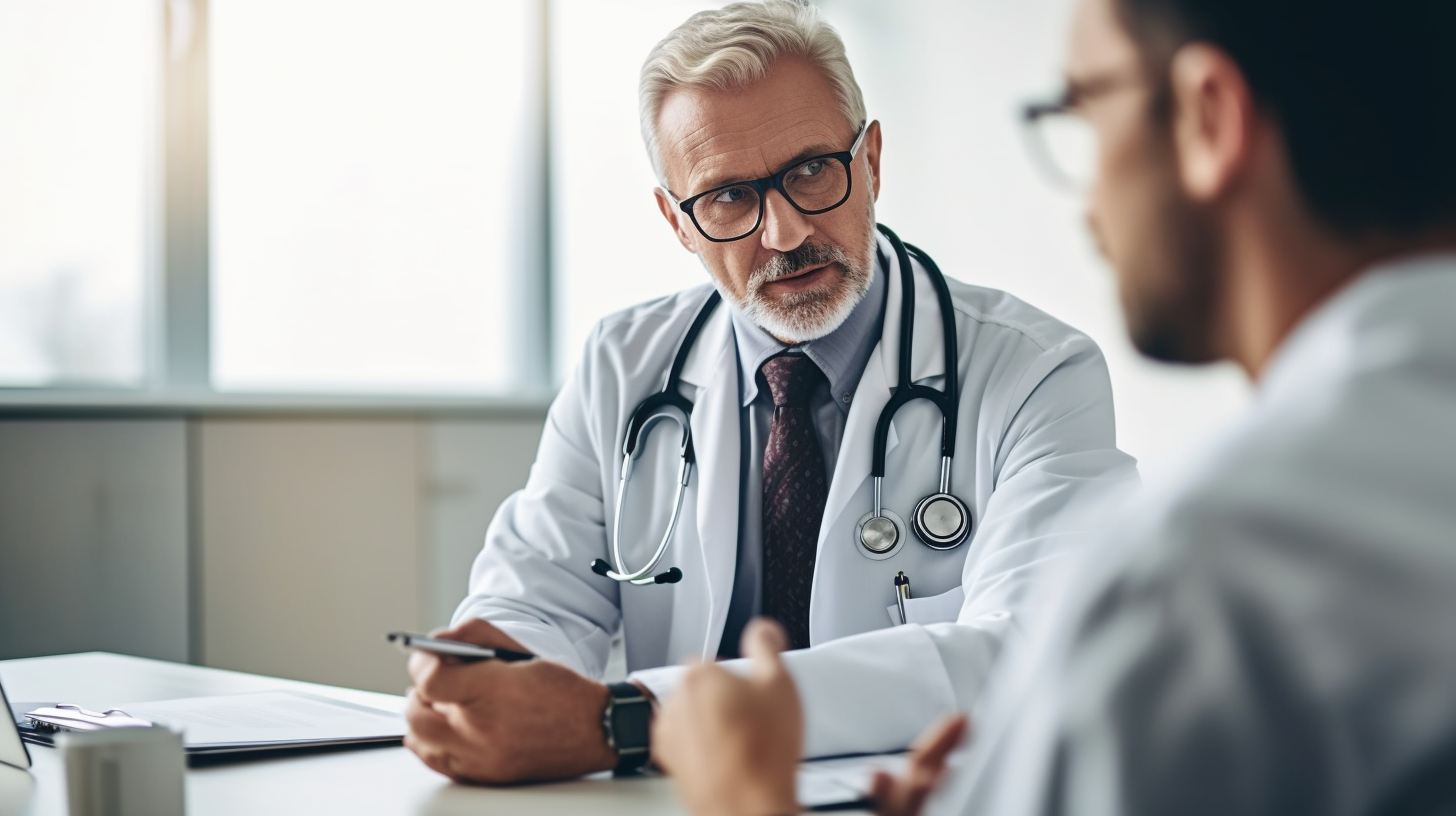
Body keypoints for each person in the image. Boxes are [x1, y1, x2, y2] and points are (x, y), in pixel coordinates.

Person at [653, 0, 1456, 812]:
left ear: (1210, 117)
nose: (1089, 206)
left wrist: (745, 798)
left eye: (1084, 113)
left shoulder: (1205, 575)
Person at [403, 0, 1136, 786]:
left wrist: (624, 722)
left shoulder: (1037, 374)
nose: (784, 233)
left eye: (812, 171)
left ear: (874, 160)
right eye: (728, 197)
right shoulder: (622, 367)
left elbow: (1029, 649)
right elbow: (537, 604)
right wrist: (493, 679)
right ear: (676, 222)